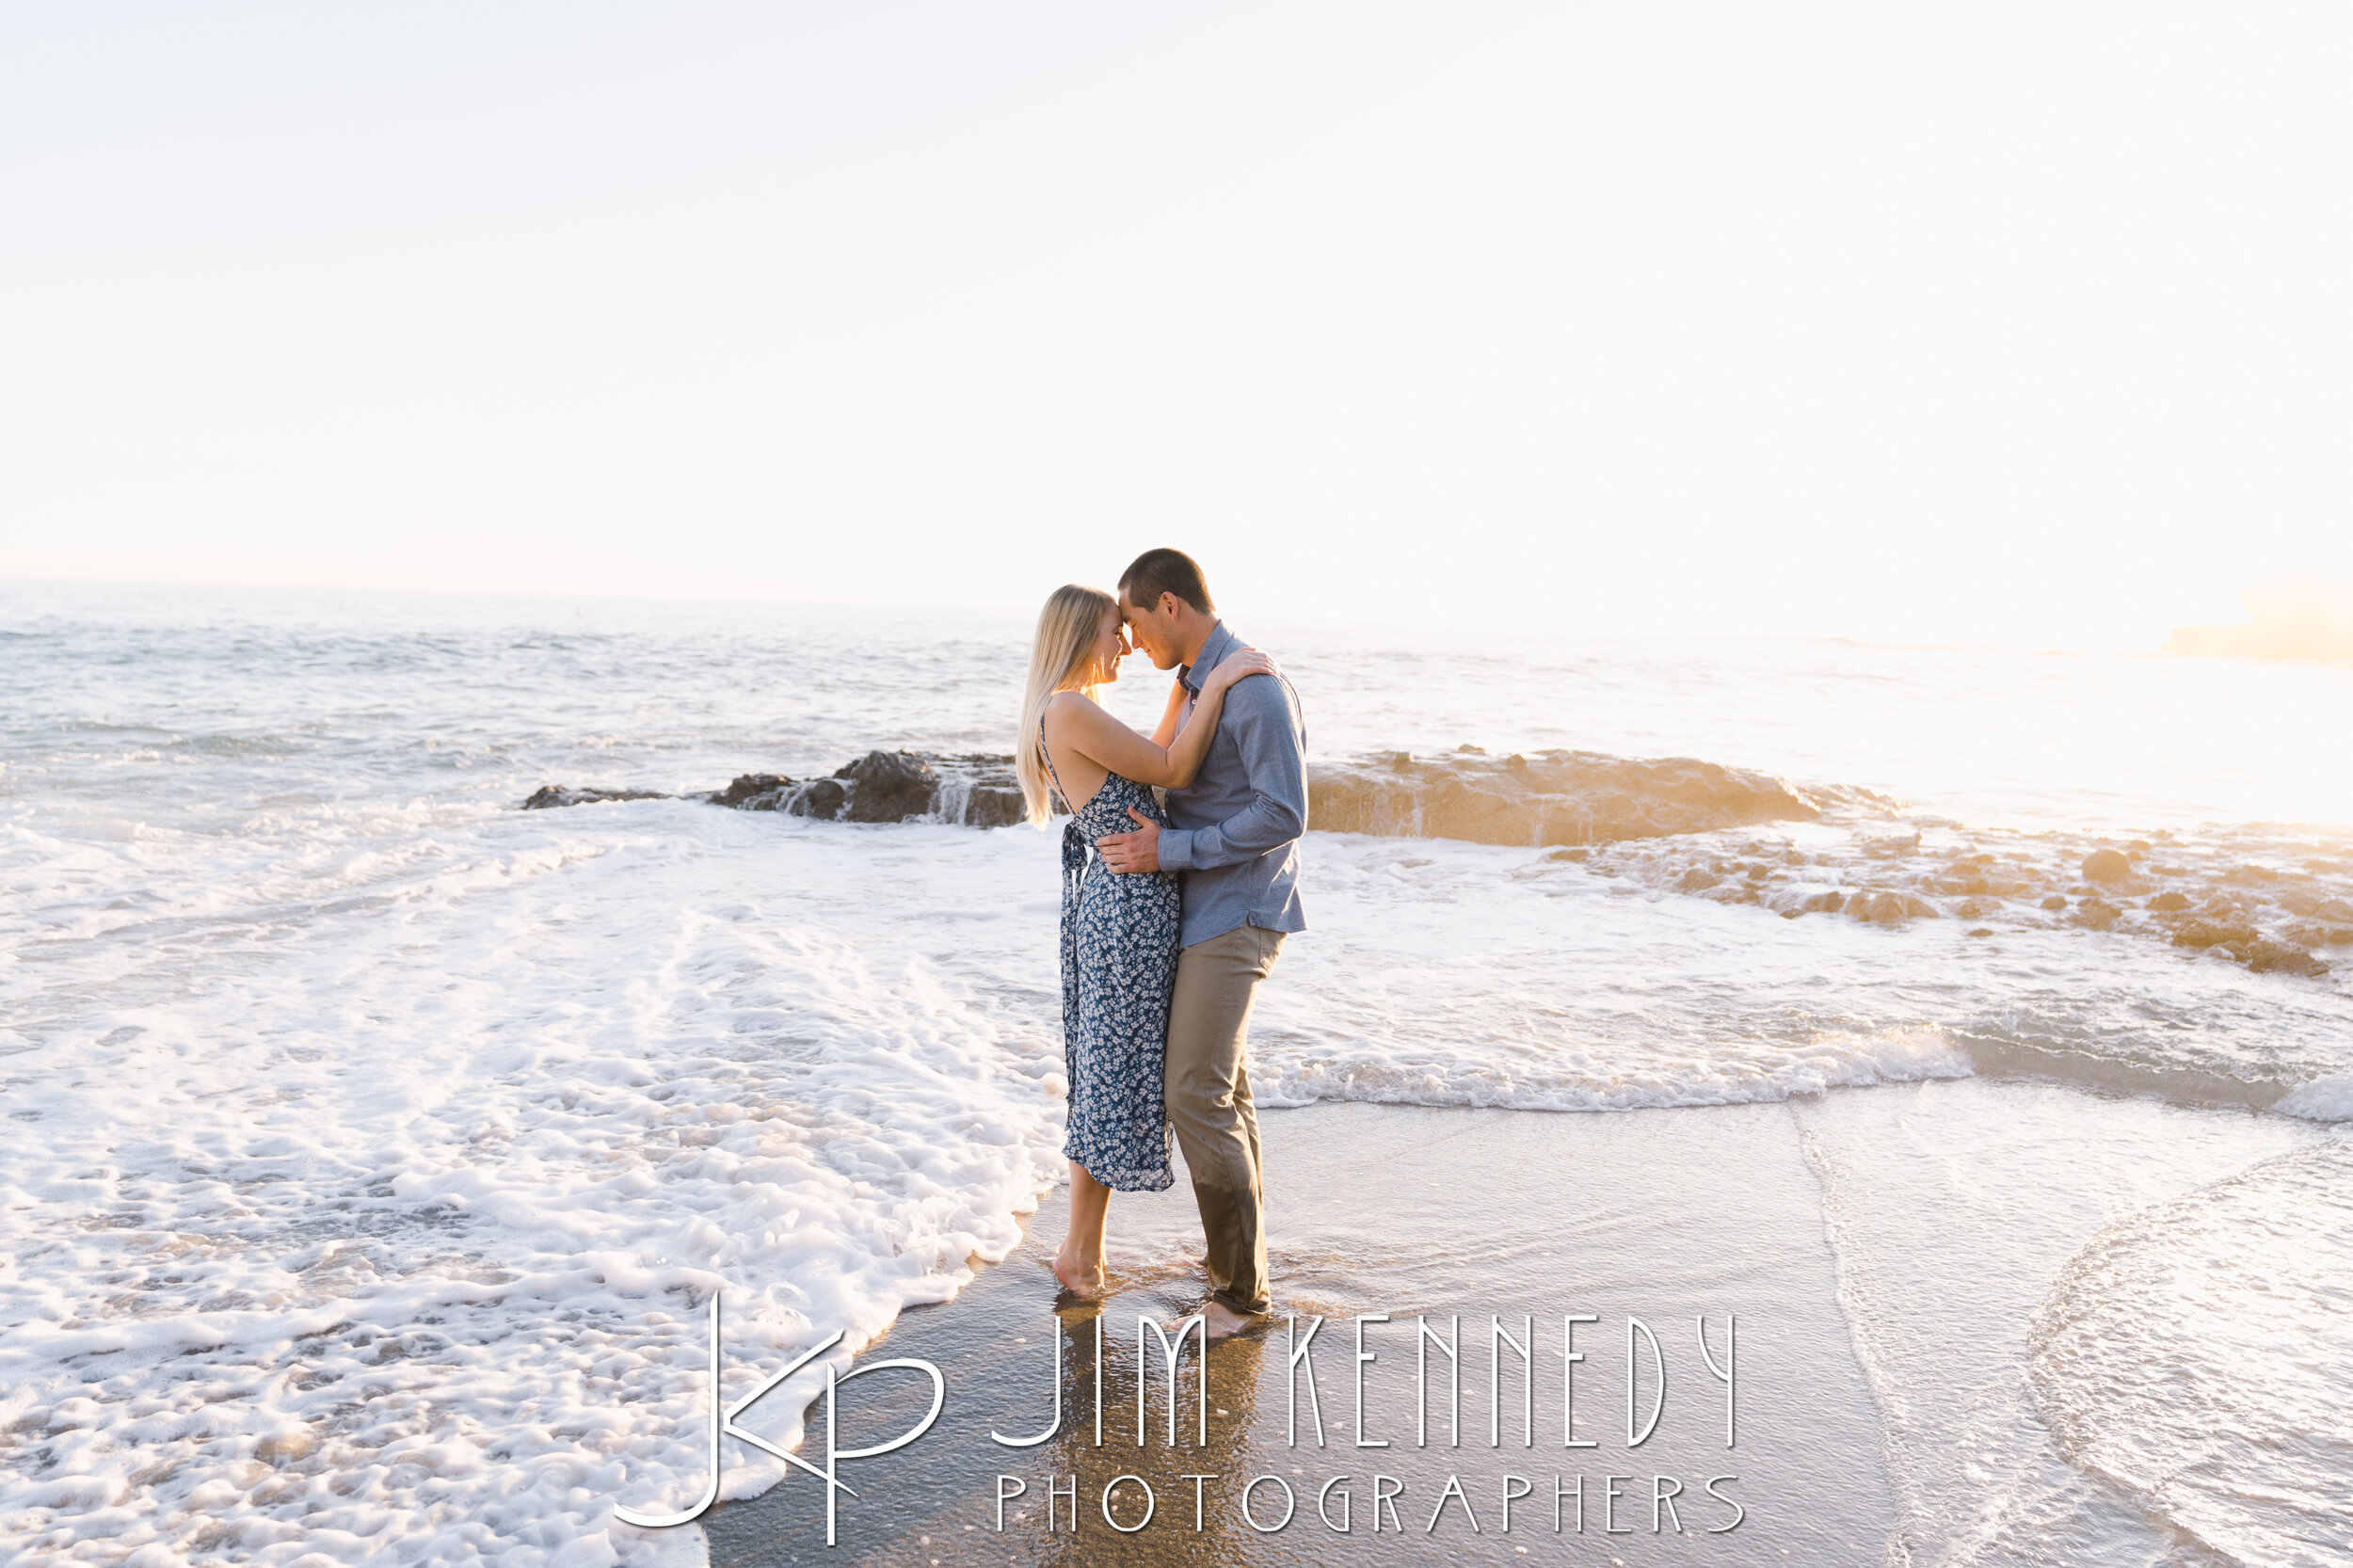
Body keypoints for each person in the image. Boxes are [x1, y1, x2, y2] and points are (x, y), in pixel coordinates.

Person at [1017, 584, 1277, 1301]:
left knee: (1110, 1074)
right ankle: (1080, 1254)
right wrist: (1216, 684)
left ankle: (1087, 1252)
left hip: (1129, 905)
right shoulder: (1069, 709)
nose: (1125, 645)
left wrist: (1186, 686)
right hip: (1128, 910)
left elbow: (1156, 753)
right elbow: (1173, 771)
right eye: (1114, 631)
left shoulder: (1073, 710)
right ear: (1079, 636)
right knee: (1111, 1079)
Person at [1096, 549, 1307, 1341]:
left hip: (1236, 911)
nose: (1130, 639)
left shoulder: (1252, 685)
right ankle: (1237, 1270)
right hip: (1201, 912)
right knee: (1223, 1093)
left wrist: (1169, 851)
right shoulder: (1198, 682)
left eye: (1134, 620)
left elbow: (1283, 812)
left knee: (1194, 1094)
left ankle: (1242, 1300)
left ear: (1170, 605)